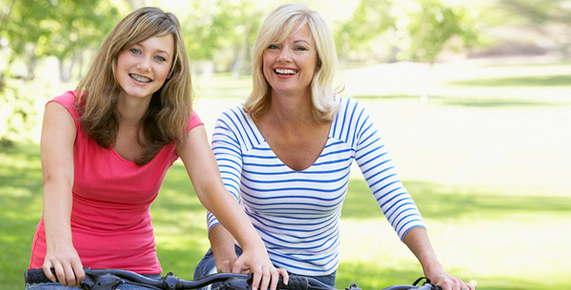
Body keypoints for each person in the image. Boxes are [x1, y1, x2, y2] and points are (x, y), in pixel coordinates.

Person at [193, 3, 474, 290]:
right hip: (249, 267)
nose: (283, 57)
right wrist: (227, 265)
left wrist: (434, 270)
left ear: (320, 61)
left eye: (300, 48)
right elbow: (221, 199)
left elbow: (393, 195)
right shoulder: (235, 124)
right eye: (273, 46)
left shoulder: (350, 119)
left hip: (316, 279)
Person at [26, 7, 286, 290]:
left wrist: (253, 246)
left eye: (159, 58)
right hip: (63, 264)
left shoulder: (180, 122)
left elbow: (211, 186)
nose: (145, 66)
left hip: (137, 271)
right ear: (115, 53)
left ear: (171, 71)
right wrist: (61, 246)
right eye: (135, 51)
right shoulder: (66, 110)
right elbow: (57, 179)